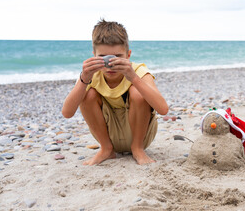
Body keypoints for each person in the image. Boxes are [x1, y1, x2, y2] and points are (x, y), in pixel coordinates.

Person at [61, 19, 168, 165]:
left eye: (118, 57)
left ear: (128, 55)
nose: (110, 65)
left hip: (141, 136)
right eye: (103, 58)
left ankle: (137, 149)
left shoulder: (138, 71)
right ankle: (106, 149)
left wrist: (133, 77)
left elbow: (163, 109)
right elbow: (67, 113)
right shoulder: (92, 75)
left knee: (137, 92)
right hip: (108, 136)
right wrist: (84, 79)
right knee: (87, 93)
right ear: (94, 55)